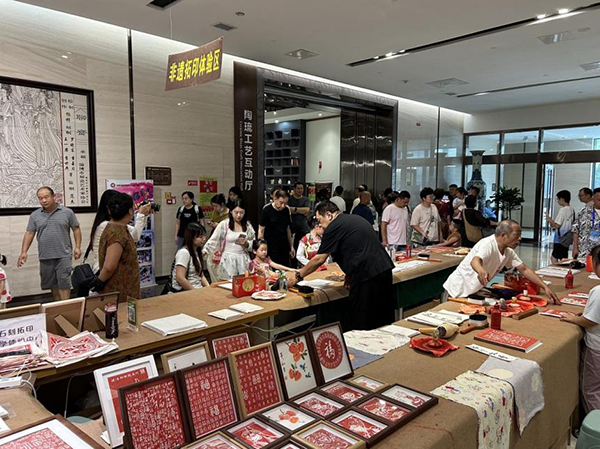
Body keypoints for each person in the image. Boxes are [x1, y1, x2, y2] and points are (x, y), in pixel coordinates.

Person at [286, 201, 395, 331]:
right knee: (383, 320)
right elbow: (357, 248)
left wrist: (298, 276)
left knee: (363, 323)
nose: (319, 225)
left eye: (320, 220)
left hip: (367, 276)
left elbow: (319, 259)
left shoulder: (333, 227)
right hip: (384, 270)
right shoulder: (353, 219)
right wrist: (350, 273)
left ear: (329, 215)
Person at [443, 220, 559, 303]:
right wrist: (481, 271)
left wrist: (545, 287)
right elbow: (475, 261)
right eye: (516, 235)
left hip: (472, 291)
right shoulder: (488, 244)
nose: (519, 238)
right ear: (503, 235)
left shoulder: (508, 251)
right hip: (456, 290)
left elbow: (524, 269)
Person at [18, 186, 82, 301]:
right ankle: (57, 306)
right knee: (53, 284)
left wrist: (77, 247)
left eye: (46, 197)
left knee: (64, 283)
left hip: (64, 254)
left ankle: (65, 307)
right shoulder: (35, 215)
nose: (44, 200)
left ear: (54, 196)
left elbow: (76, 229)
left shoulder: (67, 212)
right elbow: (29, 233)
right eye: (40, 198)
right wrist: (24, 252)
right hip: (45, 255)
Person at [561, 244, 600, 413]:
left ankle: (594, 423)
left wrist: (574, 319)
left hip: (596, 349)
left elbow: (590, 321)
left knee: (590, 389)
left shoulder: (598, 291)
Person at [91, 192, 140, 302]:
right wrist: (99, 282)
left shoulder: (112, 227)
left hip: (121, 288)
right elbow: (109, 266)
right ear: (130, 211)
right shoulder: (117, 233)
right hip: (120, 289)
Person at [88, 190, 150, 274]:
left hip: (106, 269)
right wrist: (141, 215)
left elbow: (135, 234)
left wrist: (144, 215)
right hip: (104, 270)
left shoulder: (110, 224)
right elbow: (134, 237)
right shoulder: (108, 225)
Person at [204, 200, 255, 280]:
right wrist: (205, 251)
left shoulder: (247, 226)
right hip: (228, 259)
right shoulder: (224, 224)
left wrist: (246, 244)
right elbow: (213, 240)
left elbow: (254, 243)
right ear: (231, 211)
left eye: (241, 213)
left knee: (243, 281)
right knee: (227, 282)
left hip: (243, 259)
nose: (239, 215)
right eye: (236, 212)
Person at [258, 190, 295, 266]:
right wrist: (261, 248)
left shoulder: (286, 210)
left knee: (285, 267)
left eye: (285, 203)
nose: (283, 205)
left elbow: (288, 229)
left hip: (283, 245)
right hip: (270, 245)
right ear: (275, 199)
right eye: (281, 202)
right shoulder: (267, 210)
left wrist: (291, 246)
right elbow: (261, 230)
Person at [170, 223, 209, 291]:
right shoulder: (184, 252)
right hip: (186, 291)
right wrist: (194, 292)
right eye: (200, 237)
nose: (204, 239)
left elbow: (201, 275)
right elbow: (180, 278)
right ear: (191, 237)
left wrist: (209, 288)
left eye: (204, 236)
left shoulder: (196, 252)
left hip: (198, 288)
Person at [546, 190, 574, 264]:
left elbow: (557, 225)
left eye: (557, 199)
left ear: (562, 199)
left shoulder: (562, 210)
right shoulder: (572, 210)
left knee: (554, 257)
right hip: (567, 238)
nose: (557, 201)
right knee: (563, 257)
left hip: (560, 238)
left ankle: (556, 269)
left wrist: (550, 220)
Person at [573, 188, 600, 259]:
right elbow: (575, 230)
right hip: (585, 249)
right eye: (599, 200)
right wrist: (575, 248)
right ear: (593, 198)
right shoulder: (583, 212)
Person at [289, 182, 311, 252]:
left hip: (303, 228)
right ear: (294, 189)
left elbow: (306, 210)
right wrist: (301, 210)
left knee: (303, 249)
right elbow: (288, 209)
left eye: (301, 188)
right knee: (292, 249)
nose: (300, 190)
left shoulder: (306, 200)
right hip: (291, 228)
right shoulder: (289, 199)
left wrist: (295, 209)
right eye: (298, 188)